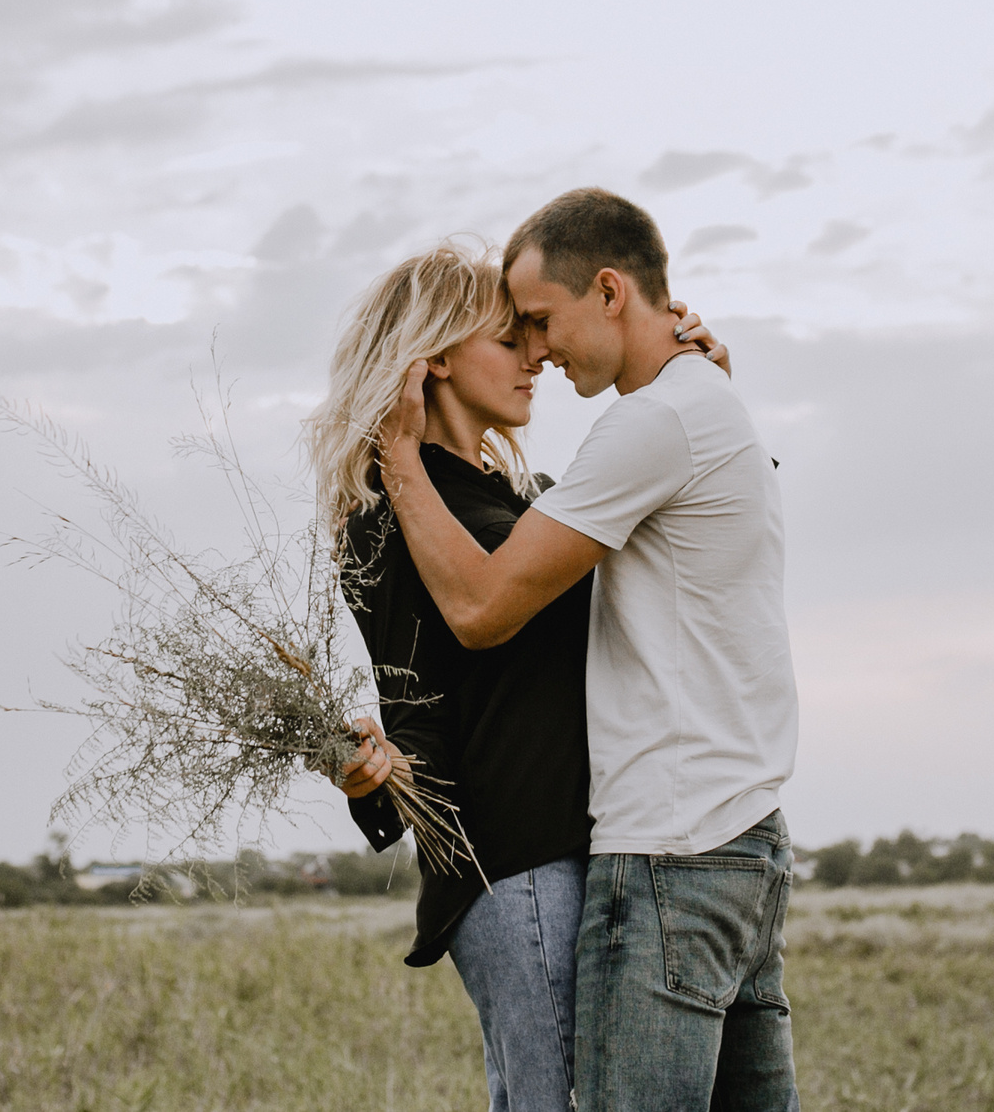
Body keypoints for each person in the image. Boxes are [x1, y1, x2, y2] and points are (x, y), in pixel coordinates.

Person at [375, 189, 799, 1112]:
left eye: (541, 320)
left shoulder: (655, 425)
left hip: (671, 850)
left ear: (609, 290)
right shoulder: (706, 410)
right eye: (515, 330)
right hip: (741, 836)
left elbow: (483, 607)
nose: (538, 348)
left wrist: (398, 457)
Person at [306, 238, 727, 1112]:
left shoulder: (521, 500)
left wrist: (695, 392)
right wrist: (369, 780)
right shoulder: (392, 518)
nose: (535, 354)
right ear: (435, 364)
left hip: (573, 856)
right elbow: (409, 701)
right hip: (514, 870)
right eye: (509, 337)